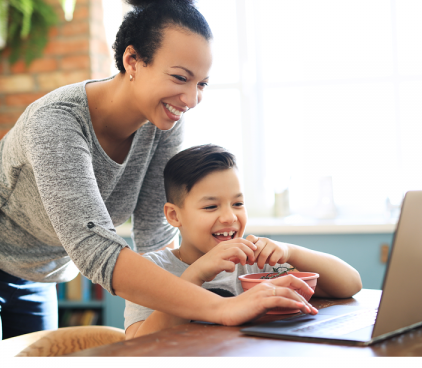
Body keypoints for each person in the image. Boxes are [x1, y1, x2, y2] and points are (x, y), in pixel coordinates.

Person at [0, 0, 317, 342]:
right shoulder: (56, 123)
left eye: (202, 84)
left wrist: (196, 295)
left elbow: (155, 238)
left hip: (41, 273)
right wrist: (222, 308)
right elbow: (95, 248)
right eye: (180, 78)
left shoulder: (162, 122)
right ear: (132, 61)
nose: (192, 99)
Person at [124, 144, 362, 339]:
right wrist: (195, 275)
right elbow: (135, 345)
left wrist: (290, 252)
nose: (230, 217)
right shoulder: (151, 270)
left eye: (237, 203)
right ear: (174, 216)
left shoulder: (255, 261)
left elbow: (350, 284)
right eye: (210, 206)